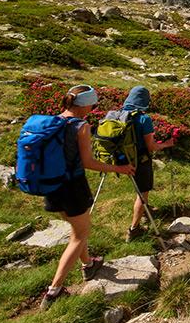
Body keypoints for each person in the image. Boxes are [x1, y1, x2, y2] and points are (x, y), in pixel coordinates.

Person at [41, 85, 135, 310]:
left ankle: (89, 264)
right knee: (80, 235)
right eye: (92, 105)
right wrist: (119, 169)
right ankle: (54, 291)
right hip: (72, 186)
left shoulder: (52, 121)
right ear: (84, 105)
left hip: (51, 185)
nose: (93, 109)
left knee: (77, 231)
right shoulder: (81, 126)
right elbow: (88, 162)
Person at [122, 86, 176, 241]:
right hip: (140, 161)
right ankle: (134, 229)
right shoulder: (144, 119)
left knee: (139, 190)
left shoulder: (117, 115)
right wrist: (166, 144)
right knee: (142, 193)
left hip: (120, 160)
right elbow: (151, 146)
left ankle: (144, 211)